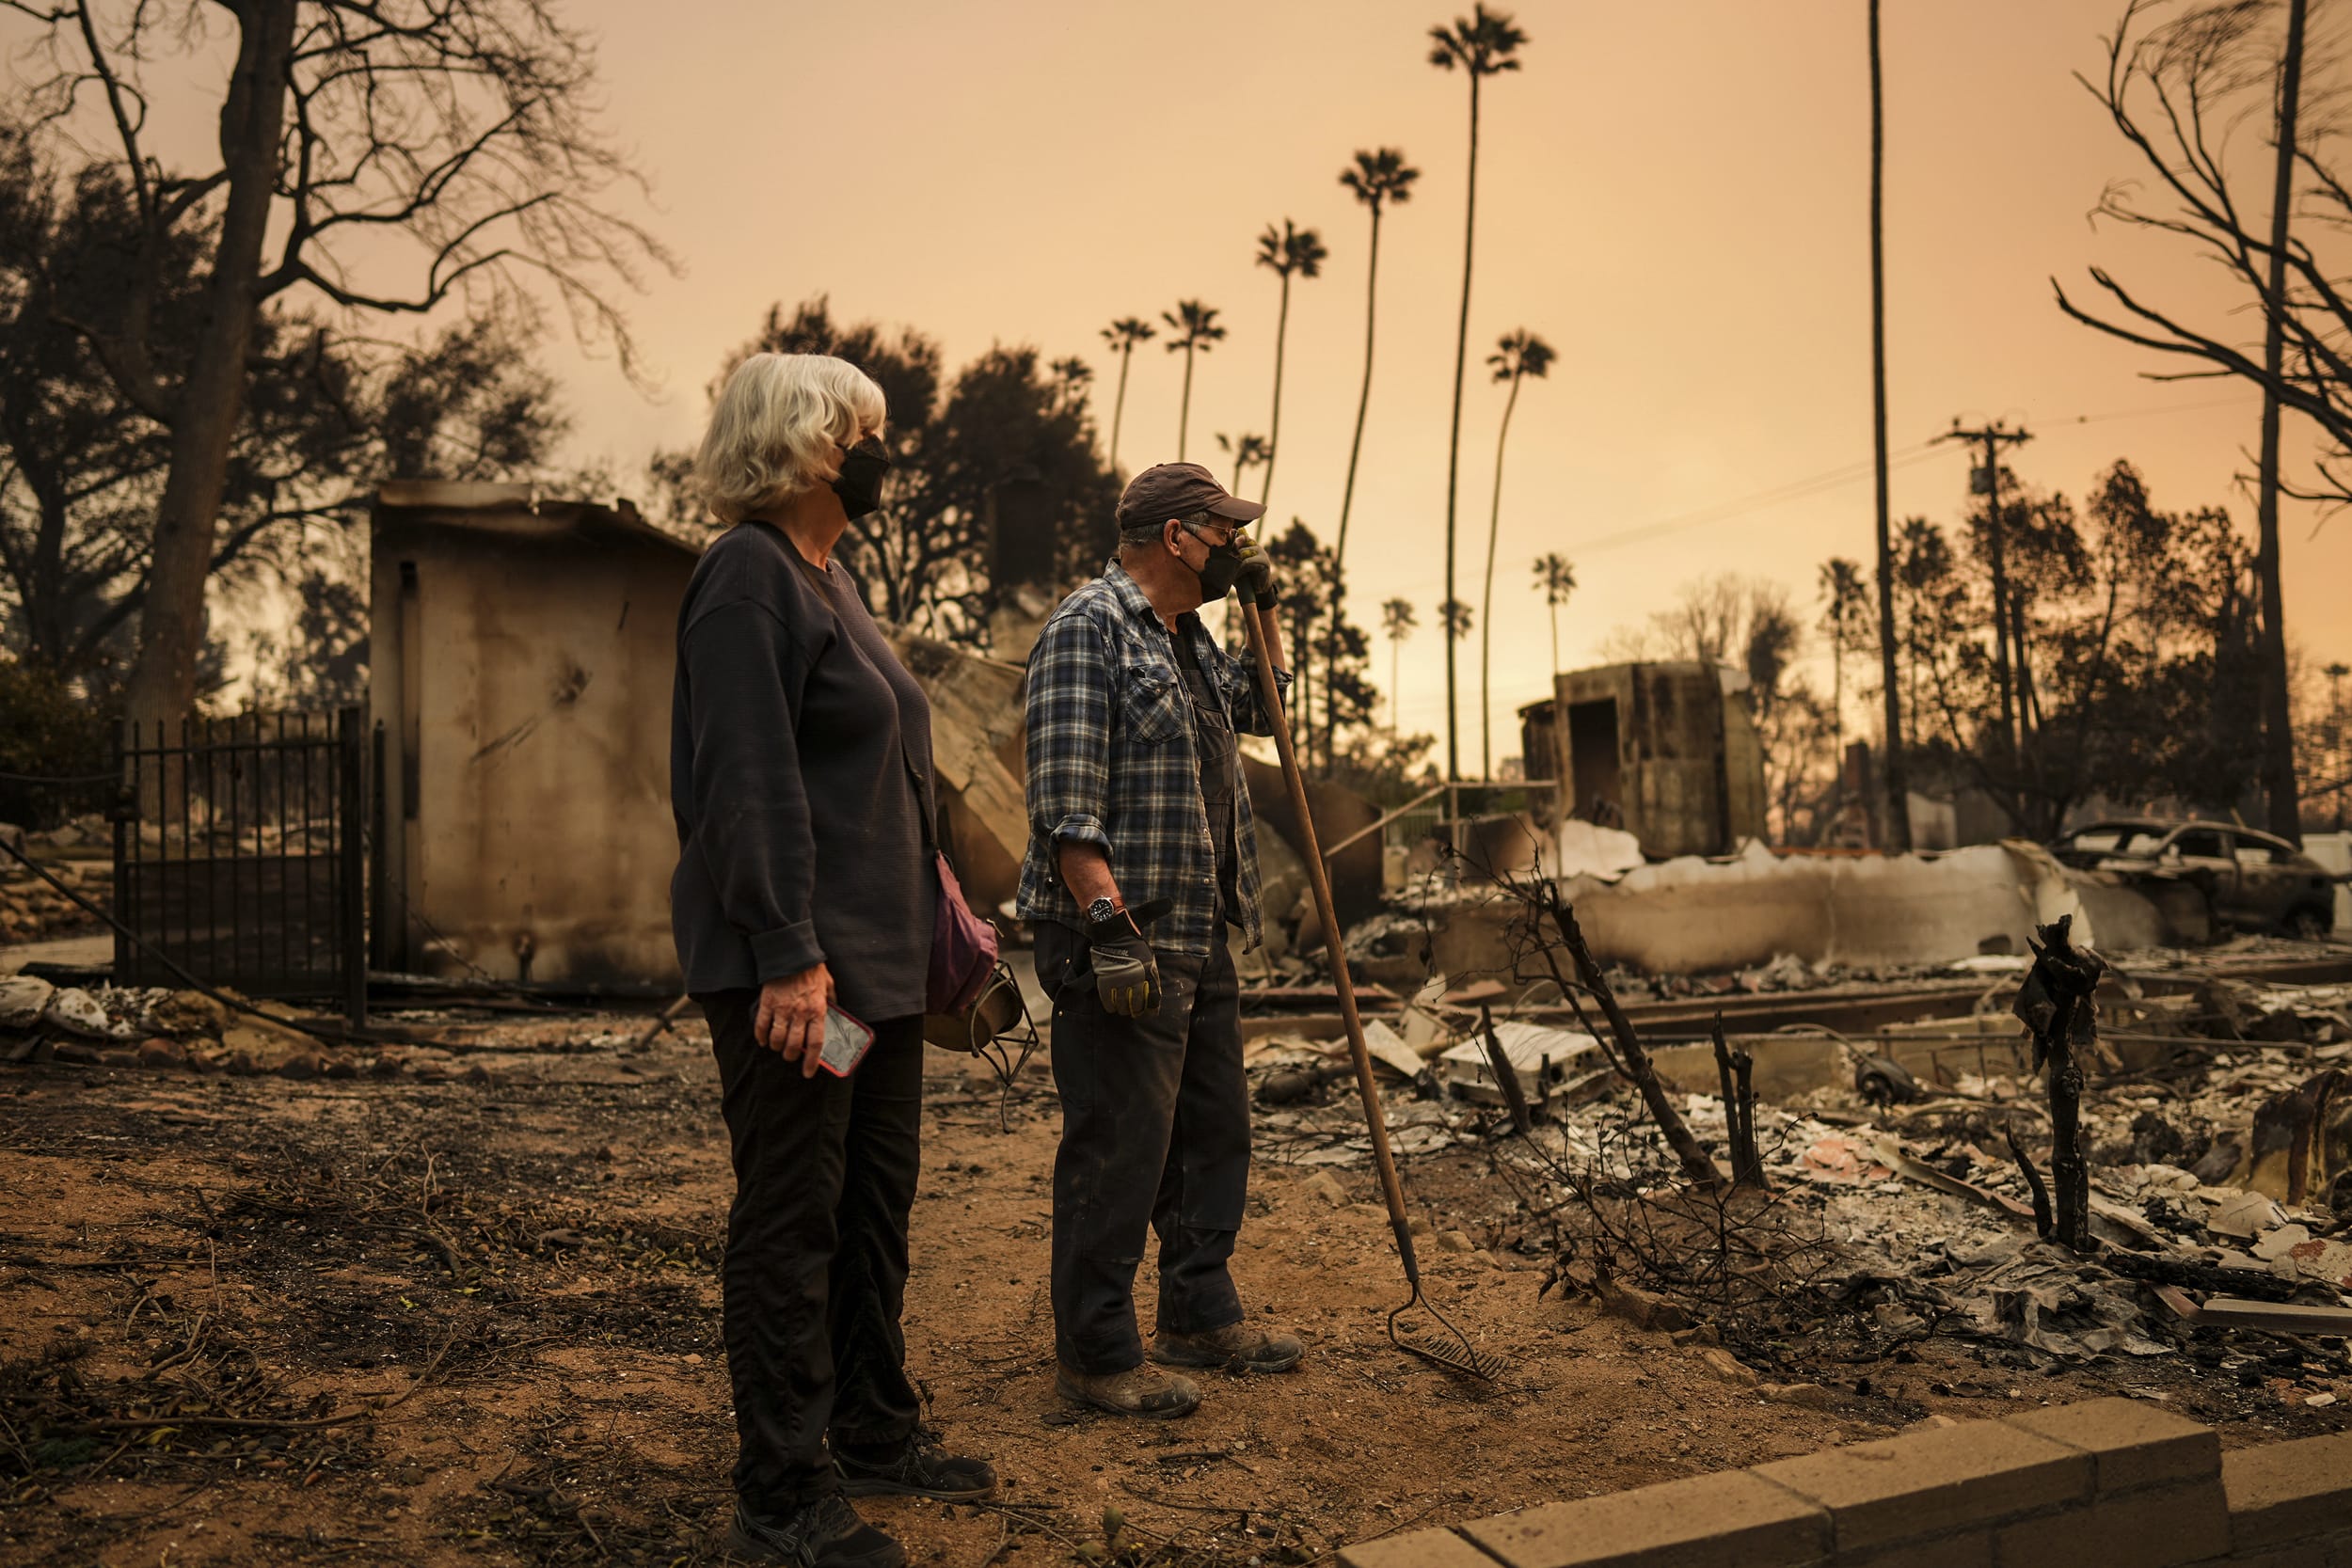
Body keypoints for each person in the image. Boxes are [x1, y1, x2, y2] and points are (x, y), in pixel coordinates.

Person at [670, 352, 993, 1568]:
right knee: (793, 1218)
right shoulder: (746, 578)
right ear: (809, 443)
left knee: (870, 1209)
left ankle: (870, 1426)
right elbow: (741, 783)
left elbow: (885, 769)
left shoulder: (835, 578)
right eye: (866, 430)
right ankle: (782, 1495)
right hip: (801, 975)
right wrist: (789, 956)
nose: (882, 450)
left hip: (881, 975)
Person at [1018, 461, 1309, 1419]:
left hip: (1195, 930)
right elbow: (1065, 799)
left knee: (1212, 1129)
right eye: (1223, 530)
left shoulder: (1192, 644)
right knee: (1119, 1143)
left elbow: (1269, 710)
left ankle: (1197, 1308)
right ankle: (1097, 1352)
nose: (1234, 544)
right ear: (1175, 535)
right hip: (1121, 935)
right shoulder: (1087, 624)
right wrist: (1107, 927)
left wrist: (1265, 602)